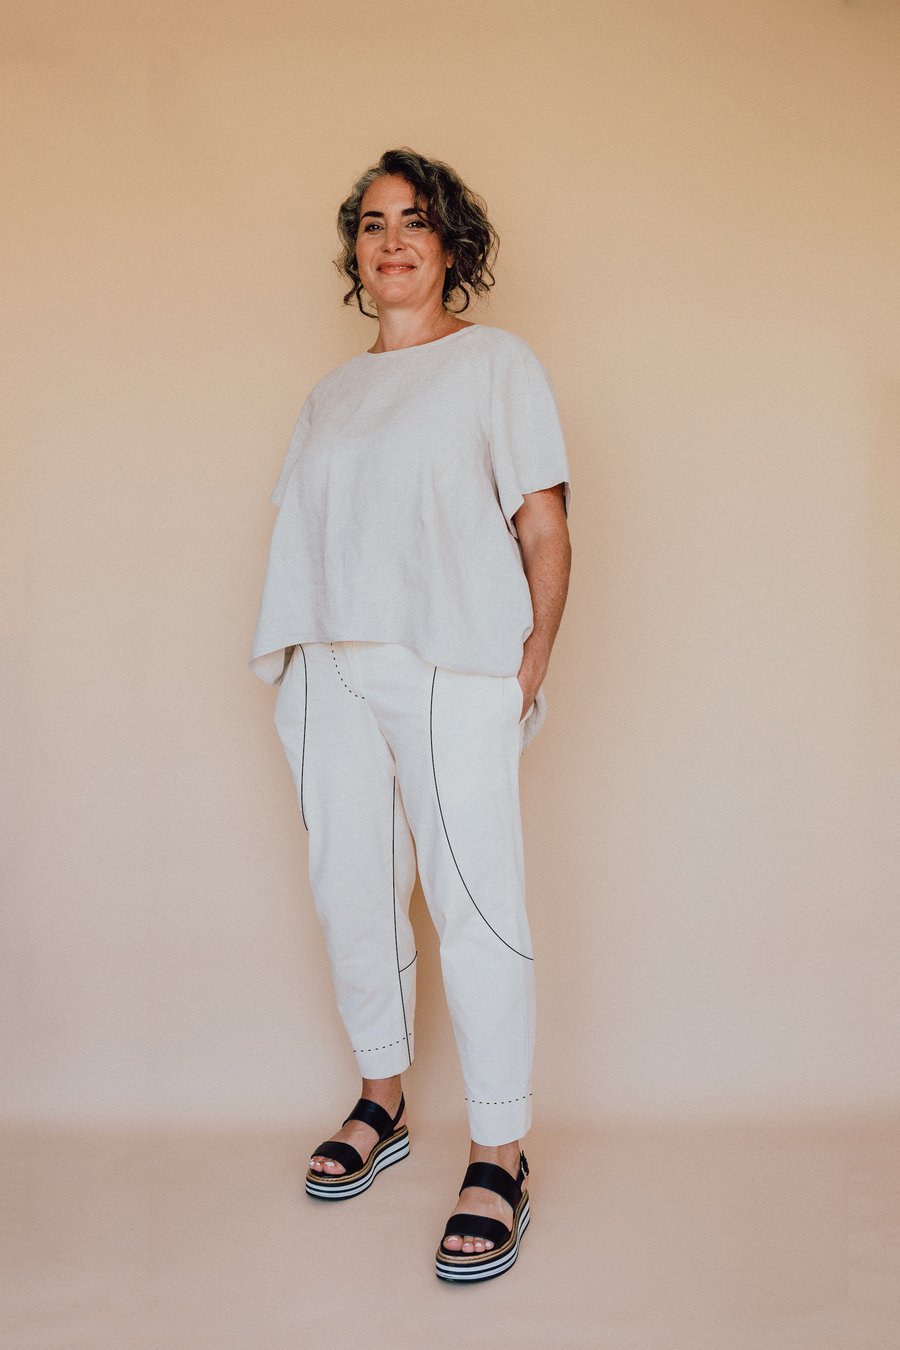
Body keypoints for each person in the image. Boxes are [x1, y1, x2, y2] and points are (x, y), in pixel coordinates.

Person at [250, 147, 572, 1282]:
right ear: (358, 252)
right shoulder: (331, 395)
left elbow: (543, 525)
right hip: (331, 664)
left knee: (476, 899)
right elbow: (313, 536)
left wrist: (526, 667)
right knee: (350, 888)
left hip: (450, 664)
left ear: (450, 246)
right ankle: (381, 1098)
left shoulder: (496, 365)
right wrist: (301, 666)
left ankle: (500, 1150)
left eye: (415, 221)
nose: (392, 241)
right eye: (374, 223)